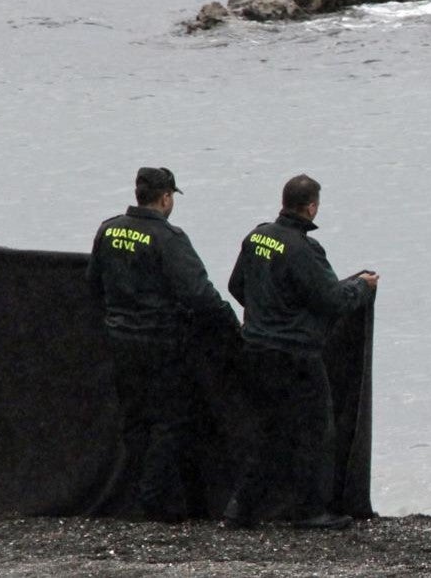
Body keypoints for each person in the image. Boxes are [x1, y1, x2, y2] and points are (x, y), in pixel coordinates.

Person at [224, 174, 379, 530]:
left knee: (268, 430)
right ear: (311, 207)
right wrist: (362, 287)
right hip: (295, 356)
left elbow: (236, 285)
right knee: (314, 430)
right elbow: (332, 300)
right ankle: (309, 510)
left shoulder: (257, 236)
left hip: (256, 349)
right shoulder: (303, 249)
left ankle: (241, 508)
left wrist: (266, 313)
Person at [86, 166, 238, 522]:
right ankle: (156, 499)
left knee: (135, 420)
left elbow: (94, 282)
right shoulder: (169, 238)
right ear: (166, 197)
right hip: (161, 342)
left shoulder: (108, 230)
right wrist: (231, 327)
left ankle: (135, 494)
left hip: (120, 339)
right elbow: (199, 293)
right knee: (170, 421)